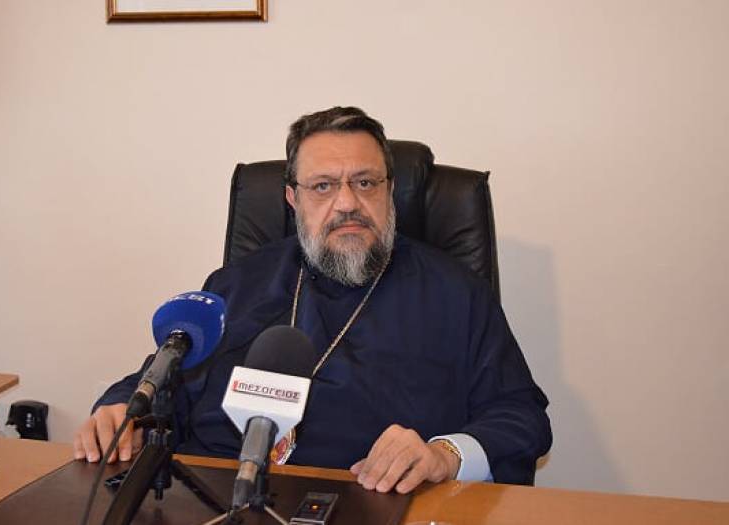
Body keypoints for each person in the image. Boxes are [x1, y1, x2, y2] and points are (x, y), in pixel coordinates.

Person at [73, 106, 552, 493]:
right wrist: (121, 409)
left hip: (374, 502)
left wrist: (444, 454)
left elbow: (521, 416)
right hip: (212, 494)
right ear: (292, 199)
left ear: (390, 191)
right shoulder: (238, 283)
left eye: (365, 182)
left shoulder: (454, 293)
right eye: (323, 186)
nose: (346, 203)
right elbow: (162, 379)